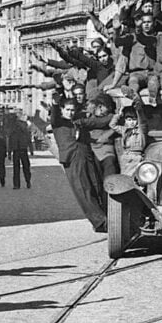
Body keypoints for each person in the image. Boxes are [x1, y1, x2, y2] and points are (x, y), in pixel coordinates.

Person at [51, 97, 107, 232]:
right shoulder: (58, 123)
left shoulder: (77, 122)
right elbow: (54, 116)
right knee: (83, 190)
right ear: (62, 110)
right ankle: (99, 222)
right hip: (72, 158)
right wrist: (54, 104)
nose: (70, 112)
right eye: (67, 110)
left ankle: (105, 217)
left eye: (72, 110)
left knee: (95, 185)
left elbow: (94, 122)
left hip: (85, 155)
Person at [109, 87, 148, 176]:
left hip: (137, 157)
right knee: (125, 178)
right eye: (129, 120)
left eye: (133, 120)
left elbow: (141, 119)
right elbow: (112, 125)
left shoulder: (140, 130)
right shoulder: (124, 130)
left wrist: (138, 109)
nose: (131, 122)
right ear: (125, 121)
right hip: (126, 157)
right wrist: (118, 114)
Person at [9, 118, 33, 189]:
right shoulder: (13, 133)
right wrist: (9, 153)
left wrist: (31, 150)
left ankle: (28, 181)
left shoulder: (25, 132)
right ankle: (16, 184)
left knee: (26, 167)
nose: (18, 126)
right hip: (16, 151)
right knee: (16, 169)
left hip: (23, 150)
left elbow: (29, 141)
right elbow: (10, 143)